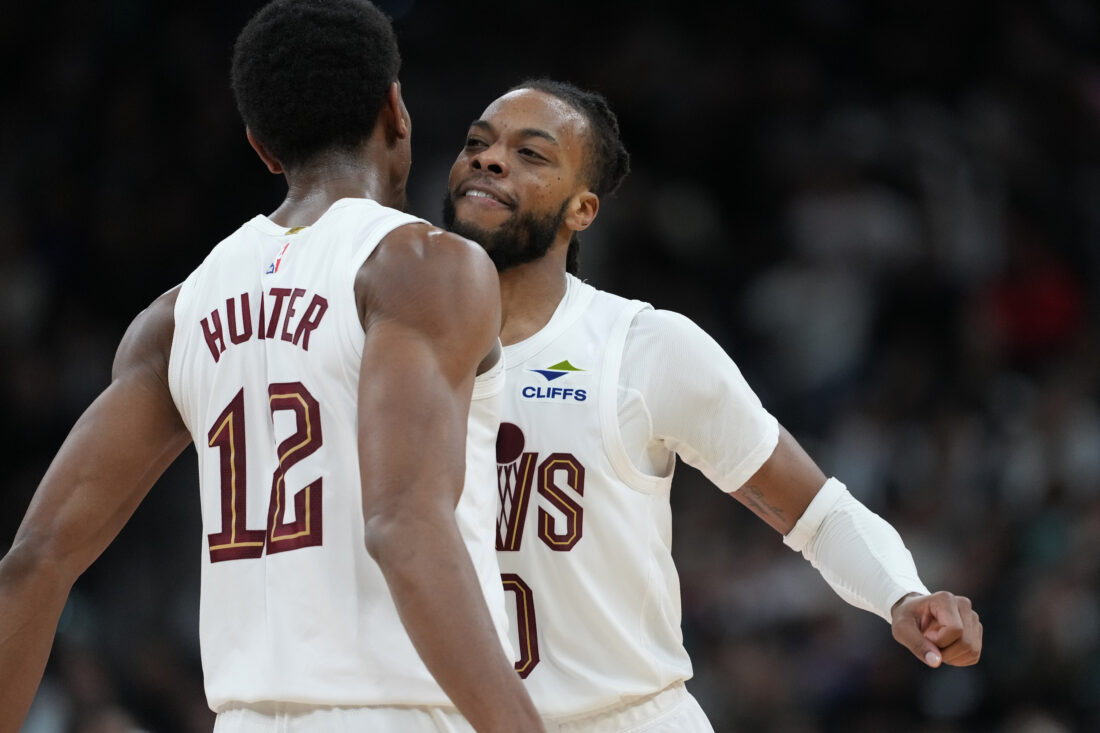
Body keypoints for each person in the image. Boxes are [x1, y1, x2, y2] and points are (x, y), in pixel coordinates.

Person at [0, 2, 545, 732]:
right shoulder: (423, 266)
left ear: (262, 147)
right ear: (396, 109)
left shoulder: (174, 317)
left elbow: (35, 559)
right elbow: (402, 527)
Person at [442, 79, 983, 732]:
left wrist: (903, 595)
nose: (489, 159)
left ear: (582, 209)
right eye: (477, 143)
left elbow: (818, 514)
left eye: (530, 153)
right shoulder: (381, 346)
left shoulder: (643, 347)